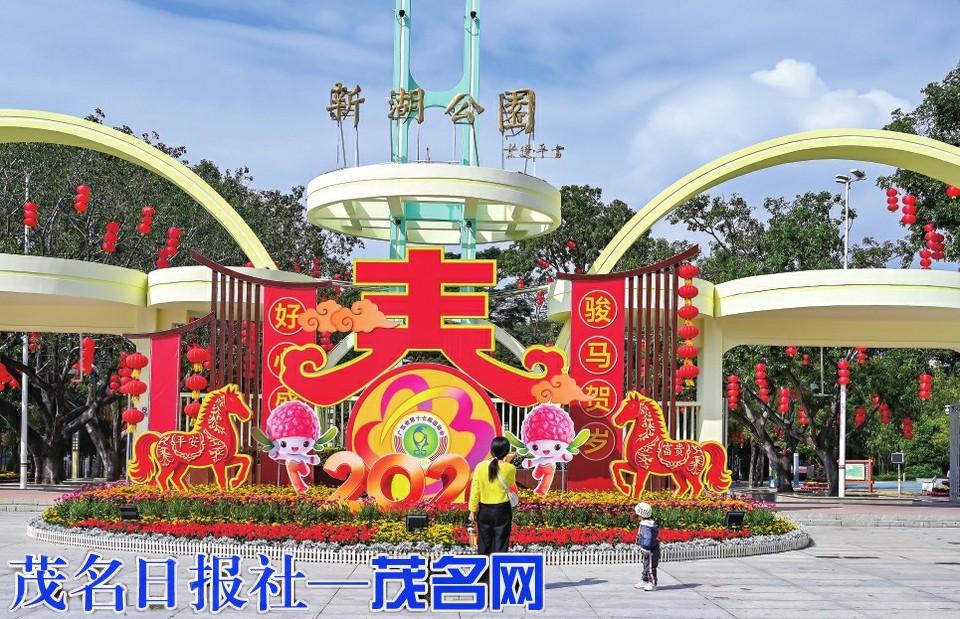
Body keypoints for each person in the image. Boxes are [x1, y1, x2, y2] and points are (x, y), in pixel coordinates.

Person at [468, 436, 517, 555]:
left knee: (484, 543)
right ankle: (498, 565)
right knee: (501, 543)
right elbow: (511, 483)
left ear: (492, 450)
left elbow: (475, 490)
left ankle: (484, 566)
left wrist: (472, 510)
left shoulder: (480, 467)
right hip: (502, 510)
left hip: (485, 510)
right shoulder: (510, 468)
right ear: (506, 451)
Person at [634, 502, 660, 591]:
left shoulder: (646, 526)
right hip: (648, 549)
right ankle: (645, 580)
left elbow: (647, 538)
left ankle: (653, 583)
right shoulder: (648, 523)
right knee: (646, 565)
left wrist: (645, 547)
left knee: (651, 567)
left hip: (650, 550)